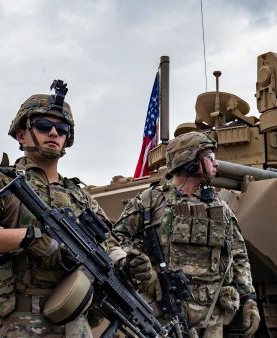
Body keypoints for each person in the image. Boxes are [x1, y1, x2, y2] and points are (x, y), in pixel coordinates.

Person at [0, 80, 124, 337]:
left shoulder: (80, 196)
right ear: (21, 135)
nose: (54, 133)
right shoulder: (0, 183)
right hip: (22, 320)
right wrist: (28, 238)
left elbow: (108, 242)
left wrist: (125, 260)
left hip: (77, 320)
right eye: (44, 126)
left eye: (62, 129)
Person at [109, 131, 261, 337]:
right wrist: (135, 263)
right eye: (210, 157)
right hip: (162, 307)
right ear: (190, 160)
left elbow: (238, 253)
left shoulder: (220, 207)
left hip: (210, 314)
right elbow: (115, 239)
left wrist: (249, 299)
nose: (216, 164)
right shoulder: (150, 201)